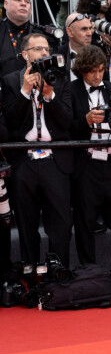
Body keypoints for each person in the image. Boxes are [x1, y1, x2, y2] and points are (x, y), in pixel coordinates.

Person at [0, 33, 73, 269]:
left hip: (54, 159)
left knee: (61, 220)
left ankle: (58, 269)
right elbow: (11, 122)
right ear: (25, 55)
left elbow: (67, 123)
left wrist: (49, 95)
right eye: (38, 48)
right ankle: (30, 268)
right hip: (24, 160)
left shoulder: (60, 79)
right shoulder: (11, 80)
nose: (44, 52)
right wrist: (24, 91)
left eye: (46, 48)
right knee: (26, 220)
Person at [69, 45, 111, 291]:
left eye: (101, 70)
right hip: (85, 165)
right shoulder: (71, 91)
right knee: (85, 220)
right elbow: (65, 126)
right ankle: (90, 271)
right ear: (82, 70)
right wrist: (85, 121)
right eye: (92, 71)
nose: (97, 76)